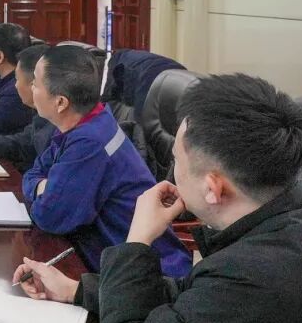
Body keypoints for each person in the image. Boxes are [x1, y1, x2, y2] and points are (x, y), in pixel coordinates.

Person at [14, 74, 302, 323]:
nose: (171, 174)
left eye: (177, 162)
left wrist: (138, 239)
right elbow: (194, 298)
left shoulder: (258, 276)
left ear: (213, 188)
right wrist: (78, 290)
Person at [23, 45, 190, 276]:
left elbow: (50, 216)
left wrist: (41, 187)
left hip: (146, 274)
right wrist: (42, 186)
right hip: (110, 260)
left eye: (36, 83)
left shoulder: (89, 142)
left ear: (60, 102)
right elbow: (34, 172)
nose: (31, 87)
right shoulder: (93, 119)